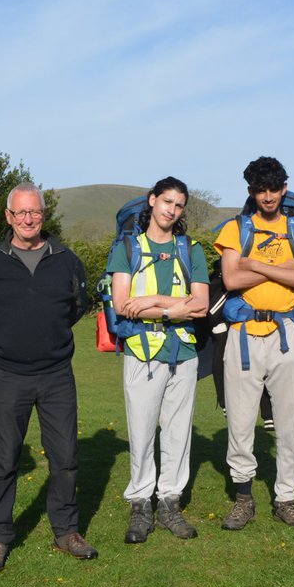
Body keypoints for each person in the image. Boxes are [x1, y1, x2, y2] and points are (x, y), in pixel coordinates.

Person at [0, 183, 96, 570]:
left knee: (65, 456)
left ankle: (66, 530)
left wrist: (45, 336)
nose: (27, 219)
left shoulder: (67, 260)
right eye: (20, 213)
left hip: (56, 375)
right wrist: (4, 336)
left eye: (34, 212)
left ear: (43, 214)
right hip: (7, 375)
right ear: (8, 217)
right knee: (4, 459)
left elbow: (77, 307)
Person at [214, 157, 294, 531]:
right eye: (261, 189)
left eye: (274, 188)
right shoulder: (235, 229)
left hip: (285, 334)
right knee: (241, 423)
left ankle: (286, 500)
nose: (268, 196)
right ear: (251, 192)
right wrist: (281, 268)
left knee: (288, 424)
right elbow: (229, 279)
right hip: (243, 334)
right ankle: (244, 499)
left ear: (284, 188)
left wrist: (254, 264)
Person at [106, 177, 209, 543]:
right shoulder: (128, 248)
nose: (172, 210)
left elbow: (200, 305)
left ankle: (169, 502)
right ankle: (140, 504)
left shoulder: (190, 249)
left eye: (179, 205)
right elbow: (121, 304)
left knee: (179, 432)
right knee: (142, 430)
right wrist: (174, 304)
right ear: (152, 201)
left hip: (182, 351)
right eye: (167, 201)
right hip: (142, 353)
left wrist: (152, 303)